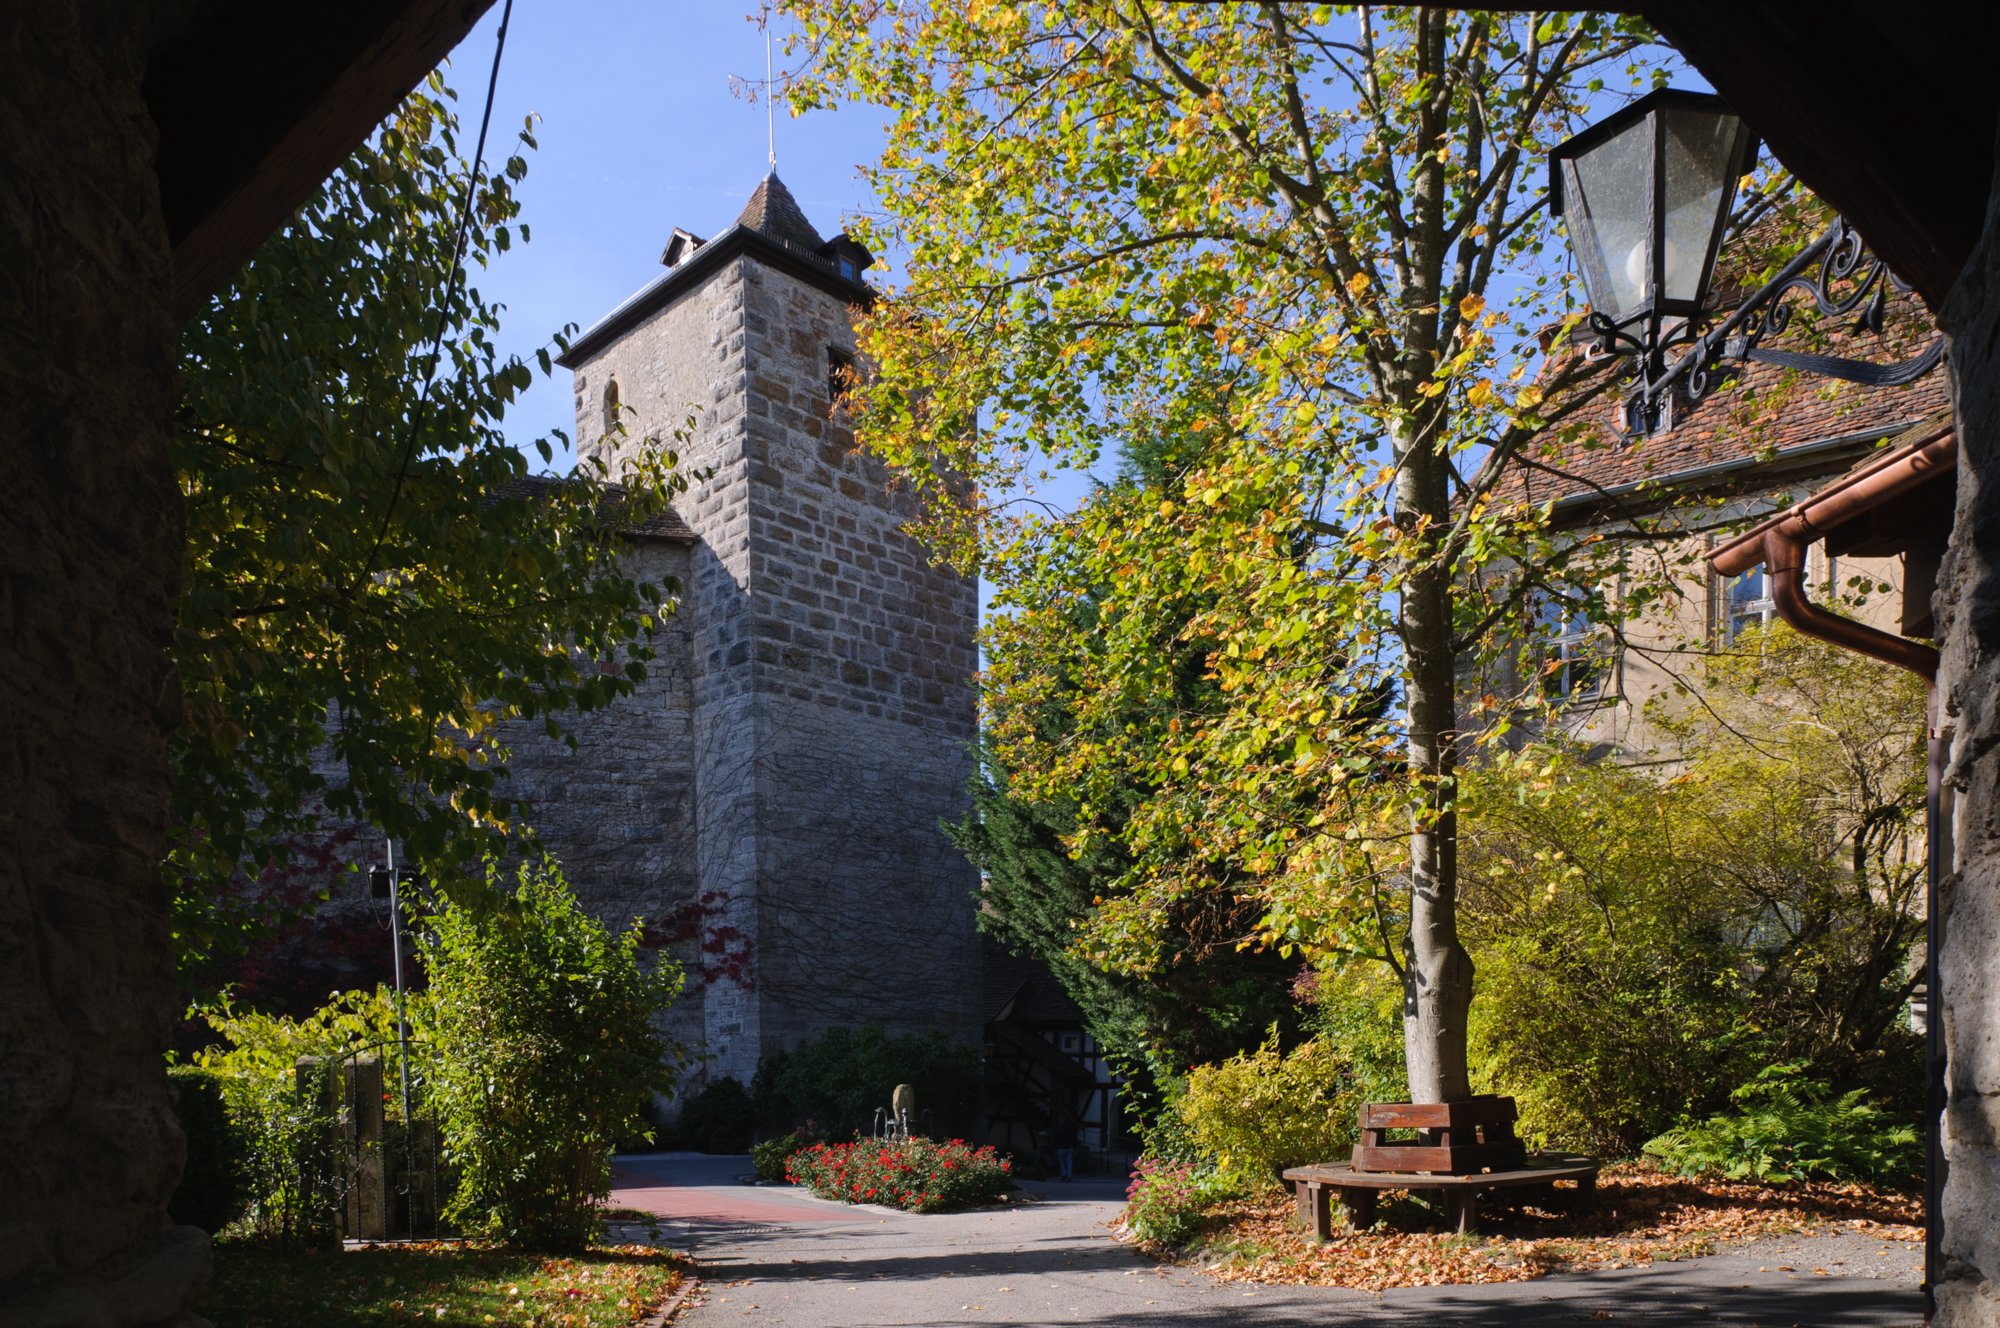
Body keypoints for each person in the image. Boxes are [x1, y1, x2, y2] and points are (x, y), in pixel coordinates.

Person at [1050, 1117, 1079, 1182]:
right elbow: (1075, 1139)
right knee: (1069, 1162)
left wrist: (1054, 1146)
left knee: (1062, 1162)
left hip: (1061, 1147)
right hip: (1070, 1147)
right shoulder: (1072, 1129)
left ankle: (1063, 1175)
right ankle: (1069, 1176)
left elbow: (1056, 1138)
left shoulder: (1060, 1128)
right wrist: (1075, 1148)